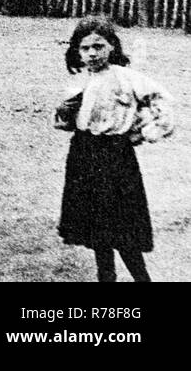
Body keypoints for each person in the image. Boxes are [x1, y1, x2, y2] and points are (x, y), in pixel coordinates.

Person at [55, 16, 173, 282]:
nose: (93, 53)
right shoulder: (80, 83)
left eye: (99, 46)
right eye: (85, 48)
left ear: (112, 47)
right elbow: (67, 122)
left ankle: (142, 279)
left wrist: (144, 133)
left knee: (122, 226)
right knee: (96, 225)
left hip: (115, 156)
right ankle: (105, 277)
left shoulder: (126, 78)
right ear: (77, 51)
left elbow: (162, 104)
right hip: (83, 154)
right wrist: (64, 115)